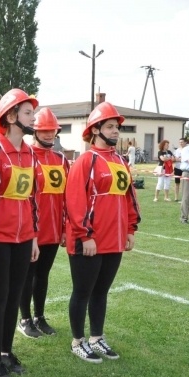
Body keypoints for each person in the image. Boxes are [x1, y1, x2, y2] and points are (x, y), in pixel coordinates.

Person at [66, 102, 140, 363]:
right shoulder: (86, 160)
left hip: (114, 239)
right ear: (95, 130)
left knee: (101, 291)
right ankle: (78, 341)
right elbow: (75, 200)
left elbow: (129, 197)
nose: (115, 131)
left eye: (116, 127)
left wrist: (130, 228)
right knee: (82, 291)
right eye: (110, 126)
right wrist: (85, 235)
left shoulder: (120, 160)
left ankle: (96, 337)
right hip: (89, 240)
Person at [0, 89, 39, 377]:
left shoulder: (30, 153)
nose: (34, 119)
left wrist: (34, 237)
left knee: (14, 296)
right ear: (12, 116)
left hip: (23, 238)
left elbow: (32, 198)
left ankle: (6, 352)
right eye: (28, 113)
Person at [18, 107, 68, 338]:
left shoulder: (61, 159)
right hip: (32, 231)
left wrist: (65, 228)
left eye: (52, 131)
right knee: (26, 276)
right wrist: (30, 231)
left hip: (53, 229)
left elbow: (67, 197)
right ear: (35, 131)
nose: (49, 135)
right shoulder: (26, 156)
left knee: (43, 274)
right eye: (44, 130)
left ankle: (39, 316)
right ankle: (25, 318)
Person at [172, 137, 187, 201]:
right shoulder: (177, 150)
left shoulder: (187, 150)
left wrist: (180, 159)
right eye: (180, 142)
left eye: (182, 142)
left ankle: (184, 197)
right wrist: (180, 159)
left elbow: (187, 159)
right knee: (177, 183)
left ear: (185, 142)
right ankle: (176, 197)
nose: (181, 143)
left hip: (185, 169)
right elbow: (175, 159)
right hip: (177, 168)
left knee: (184, 183)